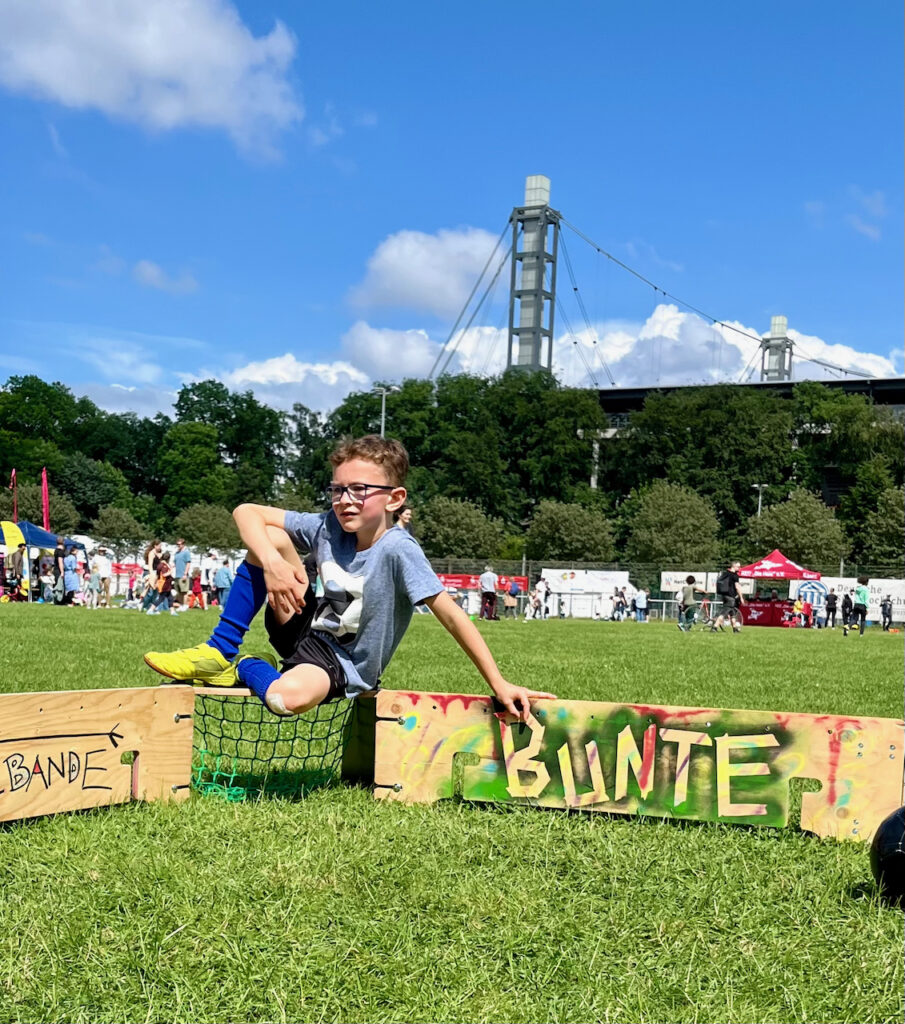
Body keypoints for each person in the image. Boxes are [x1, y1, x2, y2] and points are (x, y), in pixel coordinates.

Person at [143, 435, 552, 721]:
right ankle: (219, 650)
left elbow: (452, 615)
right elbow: (245, 511)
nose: (344, 500)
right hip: (301, 624)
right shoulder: (326, 525)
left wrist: (499, 682)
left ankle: (247, 666)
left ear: (394, 499)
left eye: (359, 489)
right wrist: (271, 562)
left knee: (286, 699)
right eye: (337, 490)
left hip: (339, 663)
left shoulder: (398, 549)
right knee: (269, 536)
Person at [712, 560, 746, 633]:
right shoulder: (734, 575)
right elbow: (737, 587)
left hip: (724, 595)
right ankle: (714, 627)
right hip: (731, 597)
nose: (739, 568)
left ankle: (735, 628)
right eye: (738, 567)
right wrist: (741, 597)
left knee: (732, 613)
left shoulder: (725, 573)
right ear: (734, 566)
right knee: (724, 613)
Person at [172, 538, 192, 610]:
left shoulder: (186, 553)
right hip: (177, 575)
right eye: (177, 544)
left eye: (179, 544)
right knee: (179, 592)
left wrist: (185, 574)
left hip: (183, 574)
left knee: (184, 591)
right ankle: (181, 605)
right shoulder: (176, 553)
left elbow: (188, 563)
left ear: (183, 544)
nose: (178, 546)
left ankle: (185, 605)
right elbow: (174, 563)